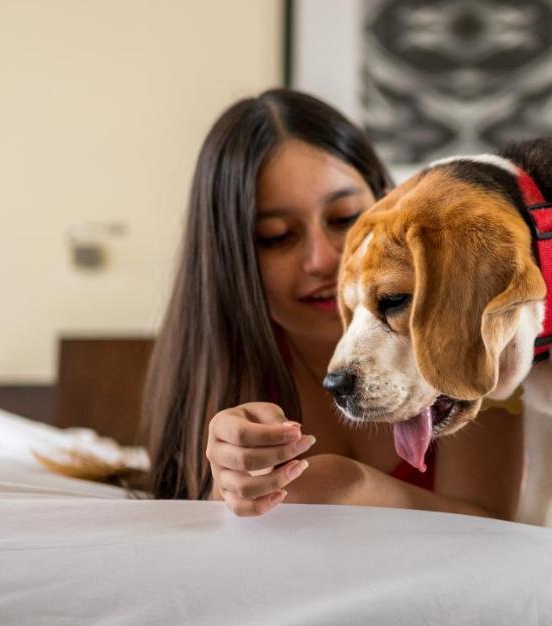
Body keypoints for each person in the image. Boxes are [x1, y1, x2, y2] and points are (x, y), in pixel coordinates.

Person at [140, 89, 524, 519]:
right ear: (230, 258)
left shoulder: (471, 323)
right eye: (277, 237)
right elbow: (205, 523)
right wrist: (228, 486)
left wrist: (345, 484)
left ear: (387, 199)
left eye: (344, 219)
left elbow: (489, 521)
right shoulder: (225, 367)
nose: (324, 259)